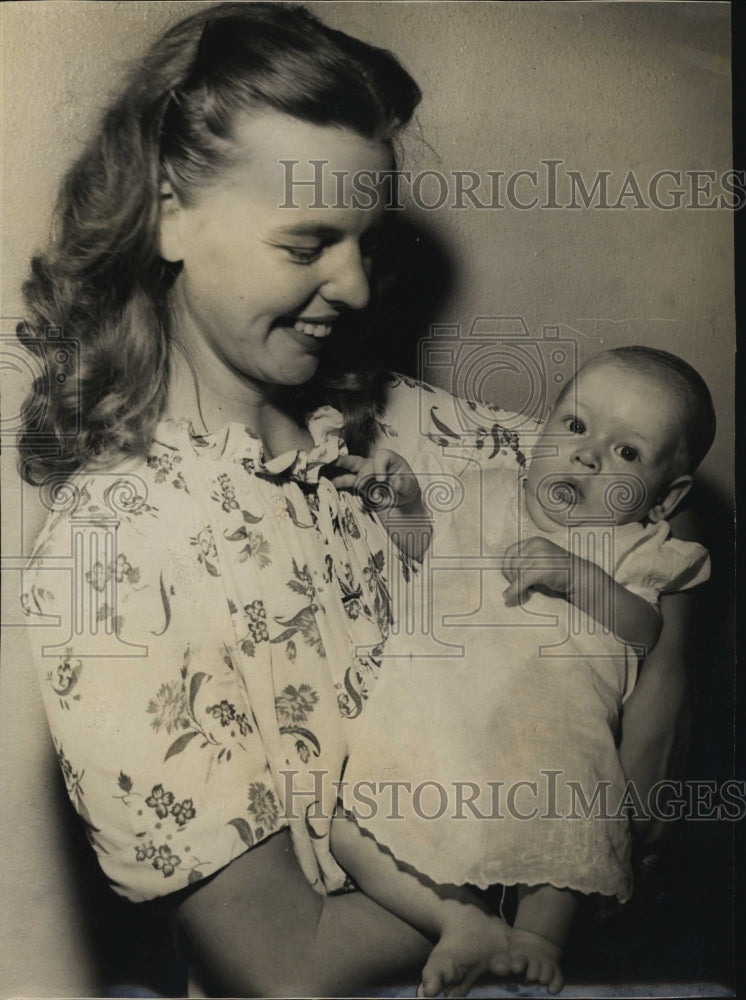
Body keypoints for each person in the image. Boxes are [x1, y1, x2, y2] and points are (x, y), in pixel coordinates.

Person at [16, 3, 701, 995]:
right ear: (169, 213)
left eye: (364, 242)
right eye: (306, 245)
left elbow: (647, 510)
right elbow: (285, 962)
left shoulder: (384, 417)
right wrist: (551, 851)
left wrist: (657, 706)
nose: (354, 288)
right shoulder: (117, 557)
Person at [330, 347, 714, 995]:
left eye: (627, 453)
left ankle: (539, 938)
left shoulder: (640, 546)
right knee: (352, 828)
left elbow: (649, 631)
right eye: (575, 425)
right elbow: (429, 548)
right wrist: (399, 505)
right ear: (544, 428)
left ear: (666, 494)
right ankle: (460, 919)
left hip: (555, 737)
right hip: (442, 720)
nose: (589, 455)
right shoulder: (483, 492)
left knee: (566, 840)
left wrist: (578, 578)